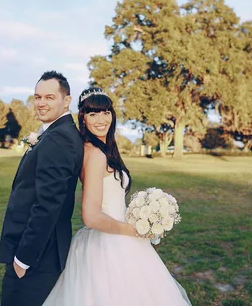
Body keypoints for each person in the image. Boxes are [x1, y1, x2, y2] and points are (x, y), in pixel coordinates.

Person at [43, 87, 191, 305]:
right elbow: (91, 216)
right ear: (82, 118)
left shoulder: (99, 148)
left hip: (115, 233)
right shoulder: (95, 155)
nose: (101, 119)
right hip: (110, 243)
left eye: (106, 112)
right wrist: (133, 230)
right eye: (93, 114)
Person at [0, 71, 84, 306]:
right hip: (40, 253)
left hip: (38, 257)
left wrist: (23, 259)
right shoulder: (55, 133)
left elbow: (48, 204)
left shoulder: (60, 138)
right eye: (37, 97)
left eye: (49, 97)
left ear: (66, 100)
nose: (41, 103)